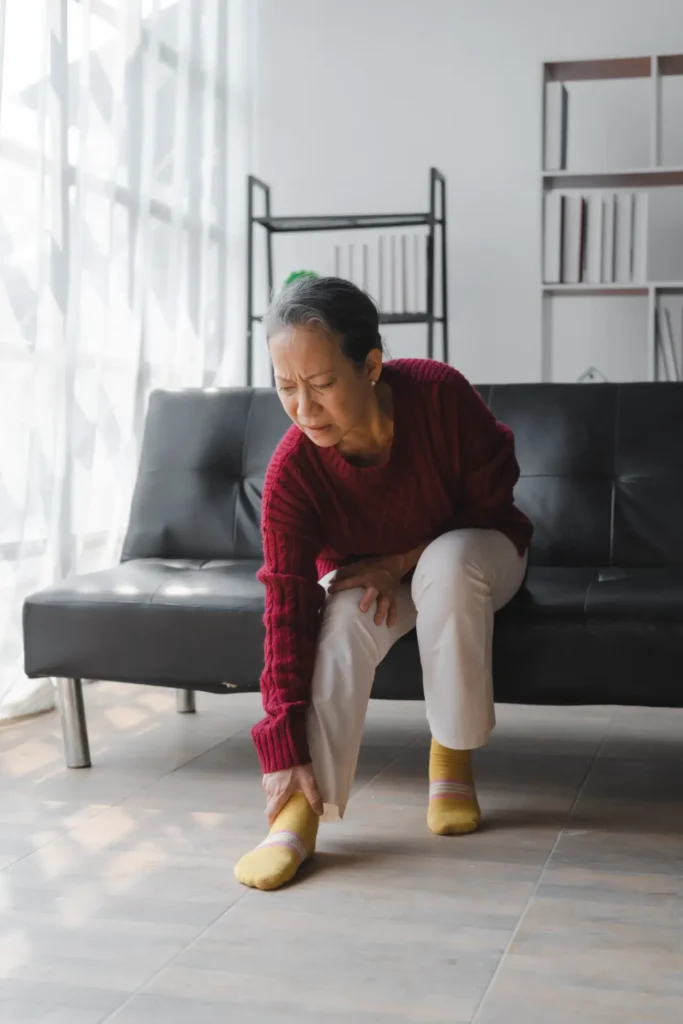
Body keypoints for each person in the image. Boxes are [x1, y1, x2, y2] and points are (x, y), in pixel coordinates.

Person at [234, 276, 532, 891]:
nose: (304, 408)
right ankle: (301, 808)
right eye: (286, 387)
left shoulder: (439, 395)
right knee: (340, 620)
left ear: (370, 366)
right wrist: (282, 748)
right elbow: (285, 611)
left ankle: (451, 753)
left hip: (480, 554)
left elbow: (494, 502)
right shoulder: (292, 475)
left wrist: (401, 560)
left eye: (320, 384)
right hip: (381, 578)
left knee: (446, 565)